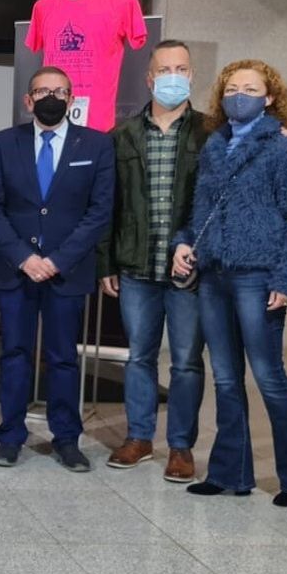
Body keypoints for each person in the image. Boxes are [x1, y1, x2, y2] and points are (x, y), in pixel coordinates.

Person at [172, 59, 287, 505]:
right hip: (214, 273)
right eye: (232, 89)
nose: (239, 95)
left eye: (250, 89)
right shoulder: (214, 145)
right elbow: (200, 209)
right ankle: (229, 473)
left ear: (270, 97)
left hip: (258, 274)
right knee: (224, 377)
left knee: (268, 375)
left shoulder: (285, 148)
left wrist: (286, 278)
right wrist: (183, 243)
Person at [0, 67, 114, 471]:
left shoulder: (96, 144)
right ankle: (10, 437)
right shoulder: (5, 142)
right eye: (42, 91)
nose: (50, 98)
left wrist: (58, 260)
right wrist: (24, 257)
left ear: (72, 99)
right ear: (28, 100)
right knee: (14, 355)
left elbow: (99, 211)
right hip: (16, 269)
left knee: (63, 358)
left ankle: (67, 439)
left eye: (59, 91)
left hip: (67, 271)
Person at [97, 39, 208, 483]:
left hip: (189, 272)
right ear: (149, 78)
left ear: (192, 75)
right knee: (139, 356)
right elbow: (108, 206)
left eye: (180, 69)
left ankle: (180, 446)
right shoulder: (121, 135)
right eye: (164, 70)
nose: (172, 77)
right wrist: (106, 263)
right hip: (136, 266)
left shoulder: (211, 133)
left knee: (186, 361)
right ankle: (139, 438)